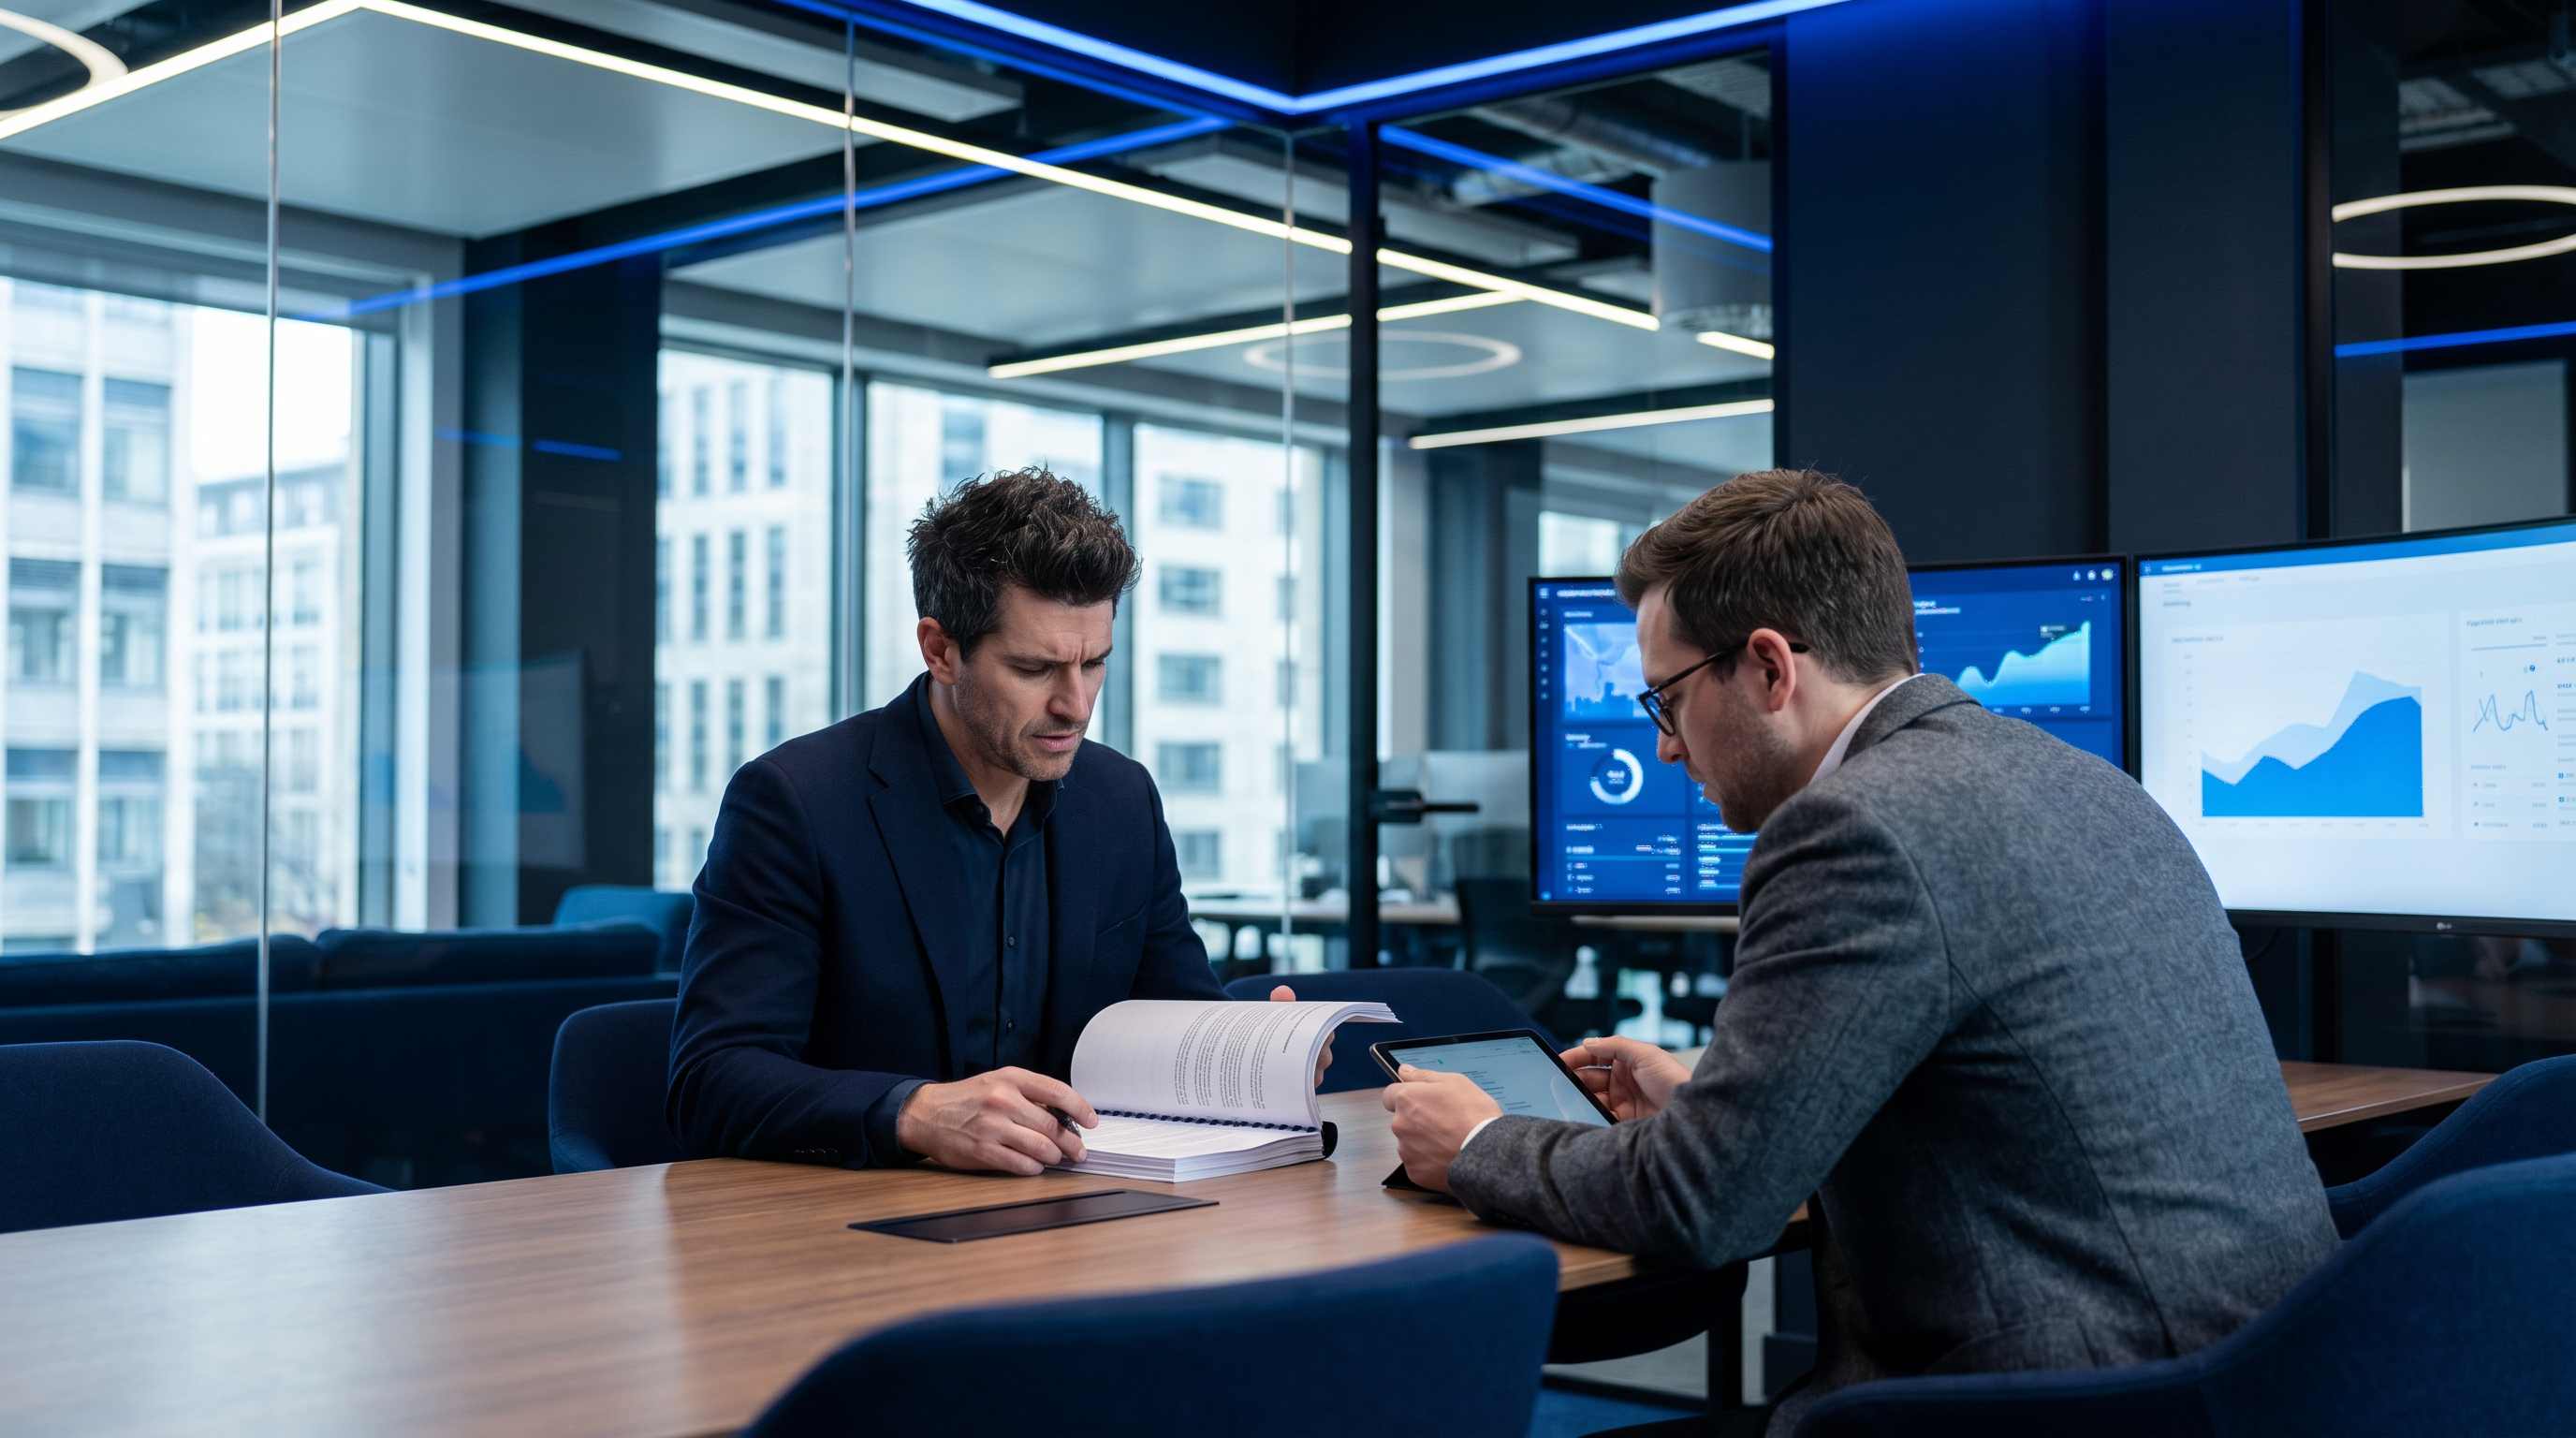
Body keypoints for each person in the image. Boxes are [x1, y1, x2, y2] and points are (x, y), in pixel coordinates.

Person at [1383, 470, 2337, 1433]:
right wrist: (1709, 1111)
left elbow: (1699, 1208)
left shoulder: (1852, 828)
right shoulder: (2086, 781)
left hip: (2076, 1399)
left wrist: (1475, 1143)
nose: (1667, 749)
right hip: (2273, 1367)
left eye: (1664, 701)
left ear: (1767, 668)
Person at [669, 468, 1316, 1174]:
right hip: (861, 1232)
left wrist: (1260, 1060)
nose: (1075, 704)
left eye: (1094, 663)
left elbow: (1175, 1021)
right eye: (1035, 669)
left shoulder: (1120, 799)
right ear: (941, 650)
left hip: (1087, 1218)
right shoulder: (795, 802)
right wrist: (913, 1113)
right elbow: (712, 1080)